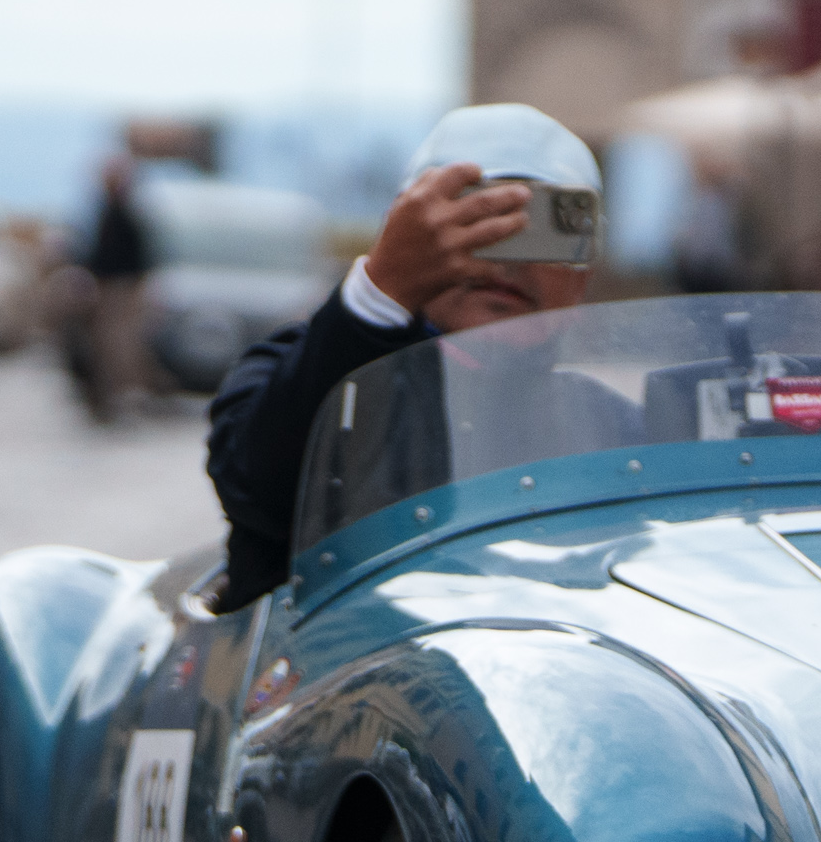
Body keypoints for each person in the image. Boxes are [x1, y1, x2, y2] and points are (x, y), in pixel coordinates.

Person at [202, 104, 598, 608]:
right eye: (475, 219)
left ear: (582, 274)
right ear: (407, 232)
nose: (508, 257)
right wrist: (378, 294)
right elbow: (259, 487)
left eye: (546, 228)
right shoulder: (294, 376)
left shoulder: (617, 430)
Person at [80, 158, 156, 420]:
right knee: (112, 342)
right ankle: (118, 393)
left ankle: (127, 393)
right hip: (112, 285)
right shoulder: (114, 211)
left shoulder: (123, 213)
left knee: (119, 343)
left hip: (120, 286)